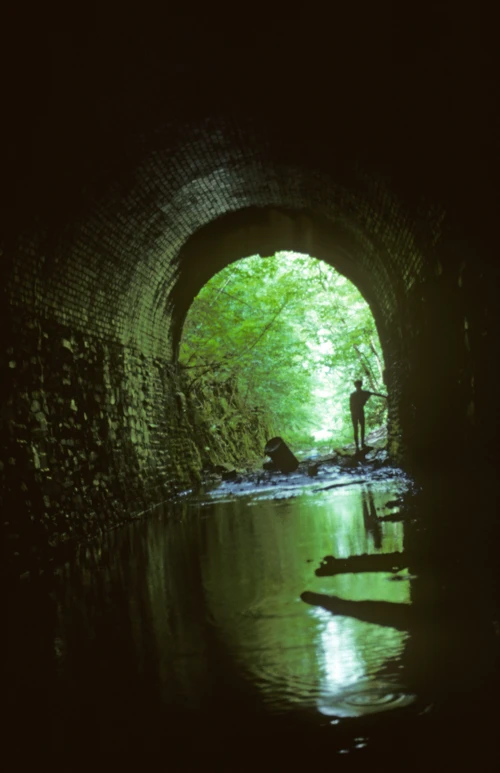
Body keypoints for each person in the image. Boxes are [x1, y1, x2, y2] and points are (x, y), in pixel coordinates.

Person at [349, 379, 387, 452]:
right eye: (357, 385)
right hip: (357, 412)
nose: (358, 386)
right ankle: (359, 445)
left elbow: (375, 394)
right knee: (358, 429)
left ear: (358, 385)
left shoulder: (356, 394)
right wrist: (385, 396)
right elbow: (350, 405)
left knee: (359, 428)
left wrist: (385, 396)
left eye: (358, 385)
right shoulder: (358, 394)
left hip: (357, 412)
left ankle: (360, 445)